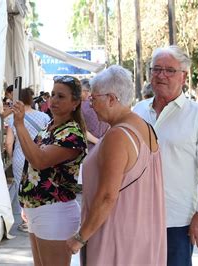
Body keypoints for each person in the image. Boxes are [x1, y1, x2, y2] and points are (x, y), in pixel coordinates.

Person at [133, 45, 198, 266]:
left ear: (183, 76)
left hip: (177, 221)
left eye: (170, 70)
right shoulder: (137, 112)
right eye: (156, 69)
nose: (161, 75)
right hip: (137, 217)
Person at [66, 65, 167, 265]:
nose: (91, 105)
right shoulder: (144, 127)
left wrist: (80, 237)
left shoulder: (118, 135)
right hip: (142, 234)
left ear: (111, 99)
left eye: (94, 99)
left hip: (117, 237)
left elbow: (107, 196)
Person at [11, 75, 87, 266]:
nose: (53, 100)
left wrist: (19, 124)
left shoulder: (72, 134)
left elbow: (38, 160)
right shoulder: (50, 127)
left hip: (55, 211)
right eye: (52, 94)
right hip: (38, 209)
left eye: (61, 96)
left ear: (75, 103)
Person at [5, 88, 50, 232]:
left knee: (21, 187)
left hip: (20, 156)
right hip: (40, 154)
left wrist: (12, 156)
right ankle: (40, 218)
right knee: (38, 184)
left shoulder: (13, 118)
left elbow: (8, 142)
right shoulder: (44, 117)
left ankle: (26, 222)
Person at [80, 78, 110, 152]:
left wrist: (98, 141)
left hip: (89, 149)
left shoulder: (79, 107)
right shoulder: (106, 103)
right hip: (106, 145)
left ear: (86, 91)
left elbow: (82, 130)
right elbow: (111, 124)